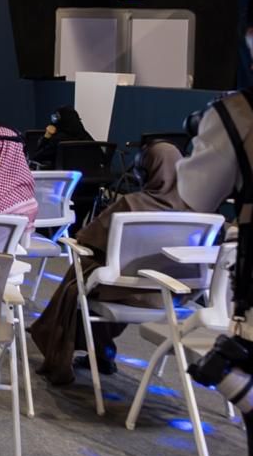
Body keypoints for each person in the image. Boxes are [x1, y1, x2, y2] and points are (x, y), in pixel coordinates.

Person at [31, 141, 188, 385]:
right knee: (92, 277)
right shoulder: (195, 210)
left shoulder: (132, 204)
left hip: (124, 290)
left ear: (144, 172)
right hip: (172, 295)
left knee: (83, 274)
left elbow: (86, 237)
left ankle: (69, 344)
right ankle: (101, 351)